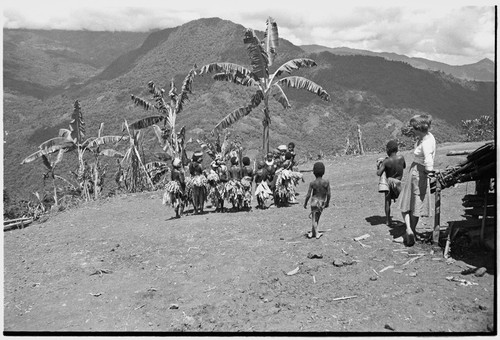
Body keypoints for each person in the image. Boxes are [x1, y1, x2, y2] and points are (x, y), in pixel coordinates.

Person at [397, 114, 436, 246]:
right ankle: (412, 230)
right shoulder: (429, 137)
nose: (412, 130)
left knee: (405, 203)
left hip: (417, 173)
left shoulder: (425, 143)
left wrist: (428, 173)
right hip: (421, 173)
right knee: (416, 205)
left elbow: (429, 161)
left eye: (414, 128)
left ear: (418, 128)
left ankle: (408, 229)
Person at [376, 140, 406, 226]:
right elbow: (404, 166)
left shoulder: (386, 161)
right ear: (396, 149)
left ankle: (388, 220)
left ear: (388, 150)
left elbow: (379, 173)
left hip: (389, 182)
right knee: (404, 201)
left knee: (387, 201)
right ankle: (407, 219)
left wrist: (380, 165)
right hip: (398, 182)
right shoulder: (401, 158)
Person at [303, 162, 331, 239]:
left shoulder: (312, 183)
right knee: (316, 218)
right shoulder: (326, 182)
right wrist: (327, 202)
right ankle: (316, 233)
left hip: (314, 201)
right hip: (321, 201)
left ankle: (313, 232)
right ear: (323, 172)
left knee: (314, 217)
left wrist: (305, 203)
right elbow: (328, 194)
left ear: (314, 172)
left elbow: (308, 194)